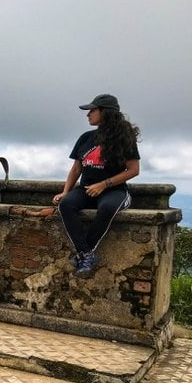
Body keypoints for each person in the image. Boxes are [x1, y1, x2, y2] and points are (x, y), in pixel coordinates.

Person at [52, 94, 141, 278]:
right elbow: (76, 169)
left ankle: (84, 255)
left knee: (107, 207)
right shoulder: (86, 138)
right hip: (86, 189)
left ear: (105, 112)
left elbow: (133, 170)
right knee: (66, 205)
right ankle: (86, 255)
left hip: (114, 191)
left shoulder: (124, 138)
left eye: (92, 110)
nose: (88, 114)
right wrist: (65, 192)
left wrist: (104, 184)